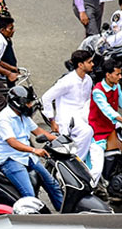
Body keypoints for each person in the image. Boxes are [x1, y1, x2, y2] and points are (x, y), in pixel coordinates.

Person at [0, 87, 64, 211]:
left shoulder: (23, 116)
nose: (30, 105)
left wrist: (60, 140)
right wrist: (34, 150)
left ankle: (66, 215)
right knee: (30, 196)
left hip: (27, 157)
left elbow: (38, 131)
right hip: (11, 160)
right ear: (18, 103)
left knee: (53, 185)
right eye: (28, 103)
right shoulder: (4, 118)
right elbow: (12, 142)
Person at [42, 50, 101, 180]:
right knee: (87, 132)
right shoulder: (67, 81)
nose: (92, 64)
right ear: (80, 65)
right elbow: (46, 98)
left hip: (82, 117)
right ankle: (73, 167)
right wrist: (52, 121)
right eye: (89, 62)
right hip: (67, 119)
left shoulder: (88, 80)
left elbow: (86, 102)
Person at [89, 59, 122, 149]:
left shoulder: (116, 86)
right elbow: (107, 109)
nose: (120, 77)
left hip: (112, 127)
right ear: (108, 75)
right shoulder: (97, 92)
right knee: (98, 160)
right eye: (117, 74)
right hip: (98, 131)